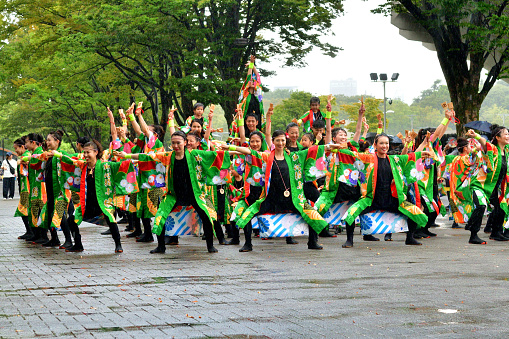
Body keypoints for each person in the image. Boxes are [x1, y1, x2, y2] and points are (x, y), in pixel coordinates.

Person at [115, 131, 232, 254]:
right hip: (174, 195)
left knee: (208, 216)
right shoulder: (168, 156)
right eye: (173, 143)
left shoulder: (194, 154)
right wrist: (126, 156)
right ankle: (161, 246)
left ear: (185, 143)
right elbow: (148, 157)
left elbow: (215, 156)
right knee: (160, 216)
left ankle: (210, 246)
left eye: (178, 143)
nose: (176, 146)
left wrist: (237, 151)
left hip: (194, 194)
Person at [227, 130, 343, 252]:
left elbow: (311, 151)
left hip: (292, 198)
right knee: (247, 214)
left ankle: (312, 242)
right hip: (271, 198)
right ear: (273, 141)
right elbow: (251, 152)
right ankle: (248, 244)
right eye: (277, 140)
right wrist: (230, 147)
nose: (280, 143)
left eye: (283, 140)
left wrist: (329, 146)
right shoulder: (267, 157)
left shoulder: (294, 157)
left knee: (312, 213)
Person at [340, 133, 432, 248]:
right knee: (351, 213)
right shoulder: (368, 158)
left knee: (415, 211)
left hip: (391, 199)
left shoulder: (394, 159)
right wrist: (337, 148)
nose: (384, 146)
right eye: (381, 143)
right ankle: (349, 240)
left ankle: (410, 238)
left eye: (387, 143)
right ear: (375, 145)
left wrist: (423, 153)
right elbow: (352, 155)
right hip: (371, 199)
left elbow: (410, 157)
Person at [57, 140, 137, 253]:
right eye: (84, 153)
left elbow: (121, 166)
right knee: (71, 219)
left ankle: (118, 245)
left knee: (111, 219)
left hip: (103, 202)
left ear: (96, 152)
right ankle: (78, 244)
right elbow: (70, 161)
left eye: (88, 152)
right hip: (87, 203)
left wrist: (132, 159)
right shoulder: (83, 166)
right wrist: (58, 155)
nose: (85, 155)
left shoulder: (106, 166)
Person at [13, 138, 32, 240]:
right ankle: (29, 231)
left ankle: (31, 231)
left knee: (24, 209)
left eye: (16, 148)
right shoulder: (24, 157)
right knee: (24, 209)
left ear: (22, 146)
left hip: (27, 188)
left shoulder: (27, 156)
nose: (16, 151)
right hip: (24, 187)